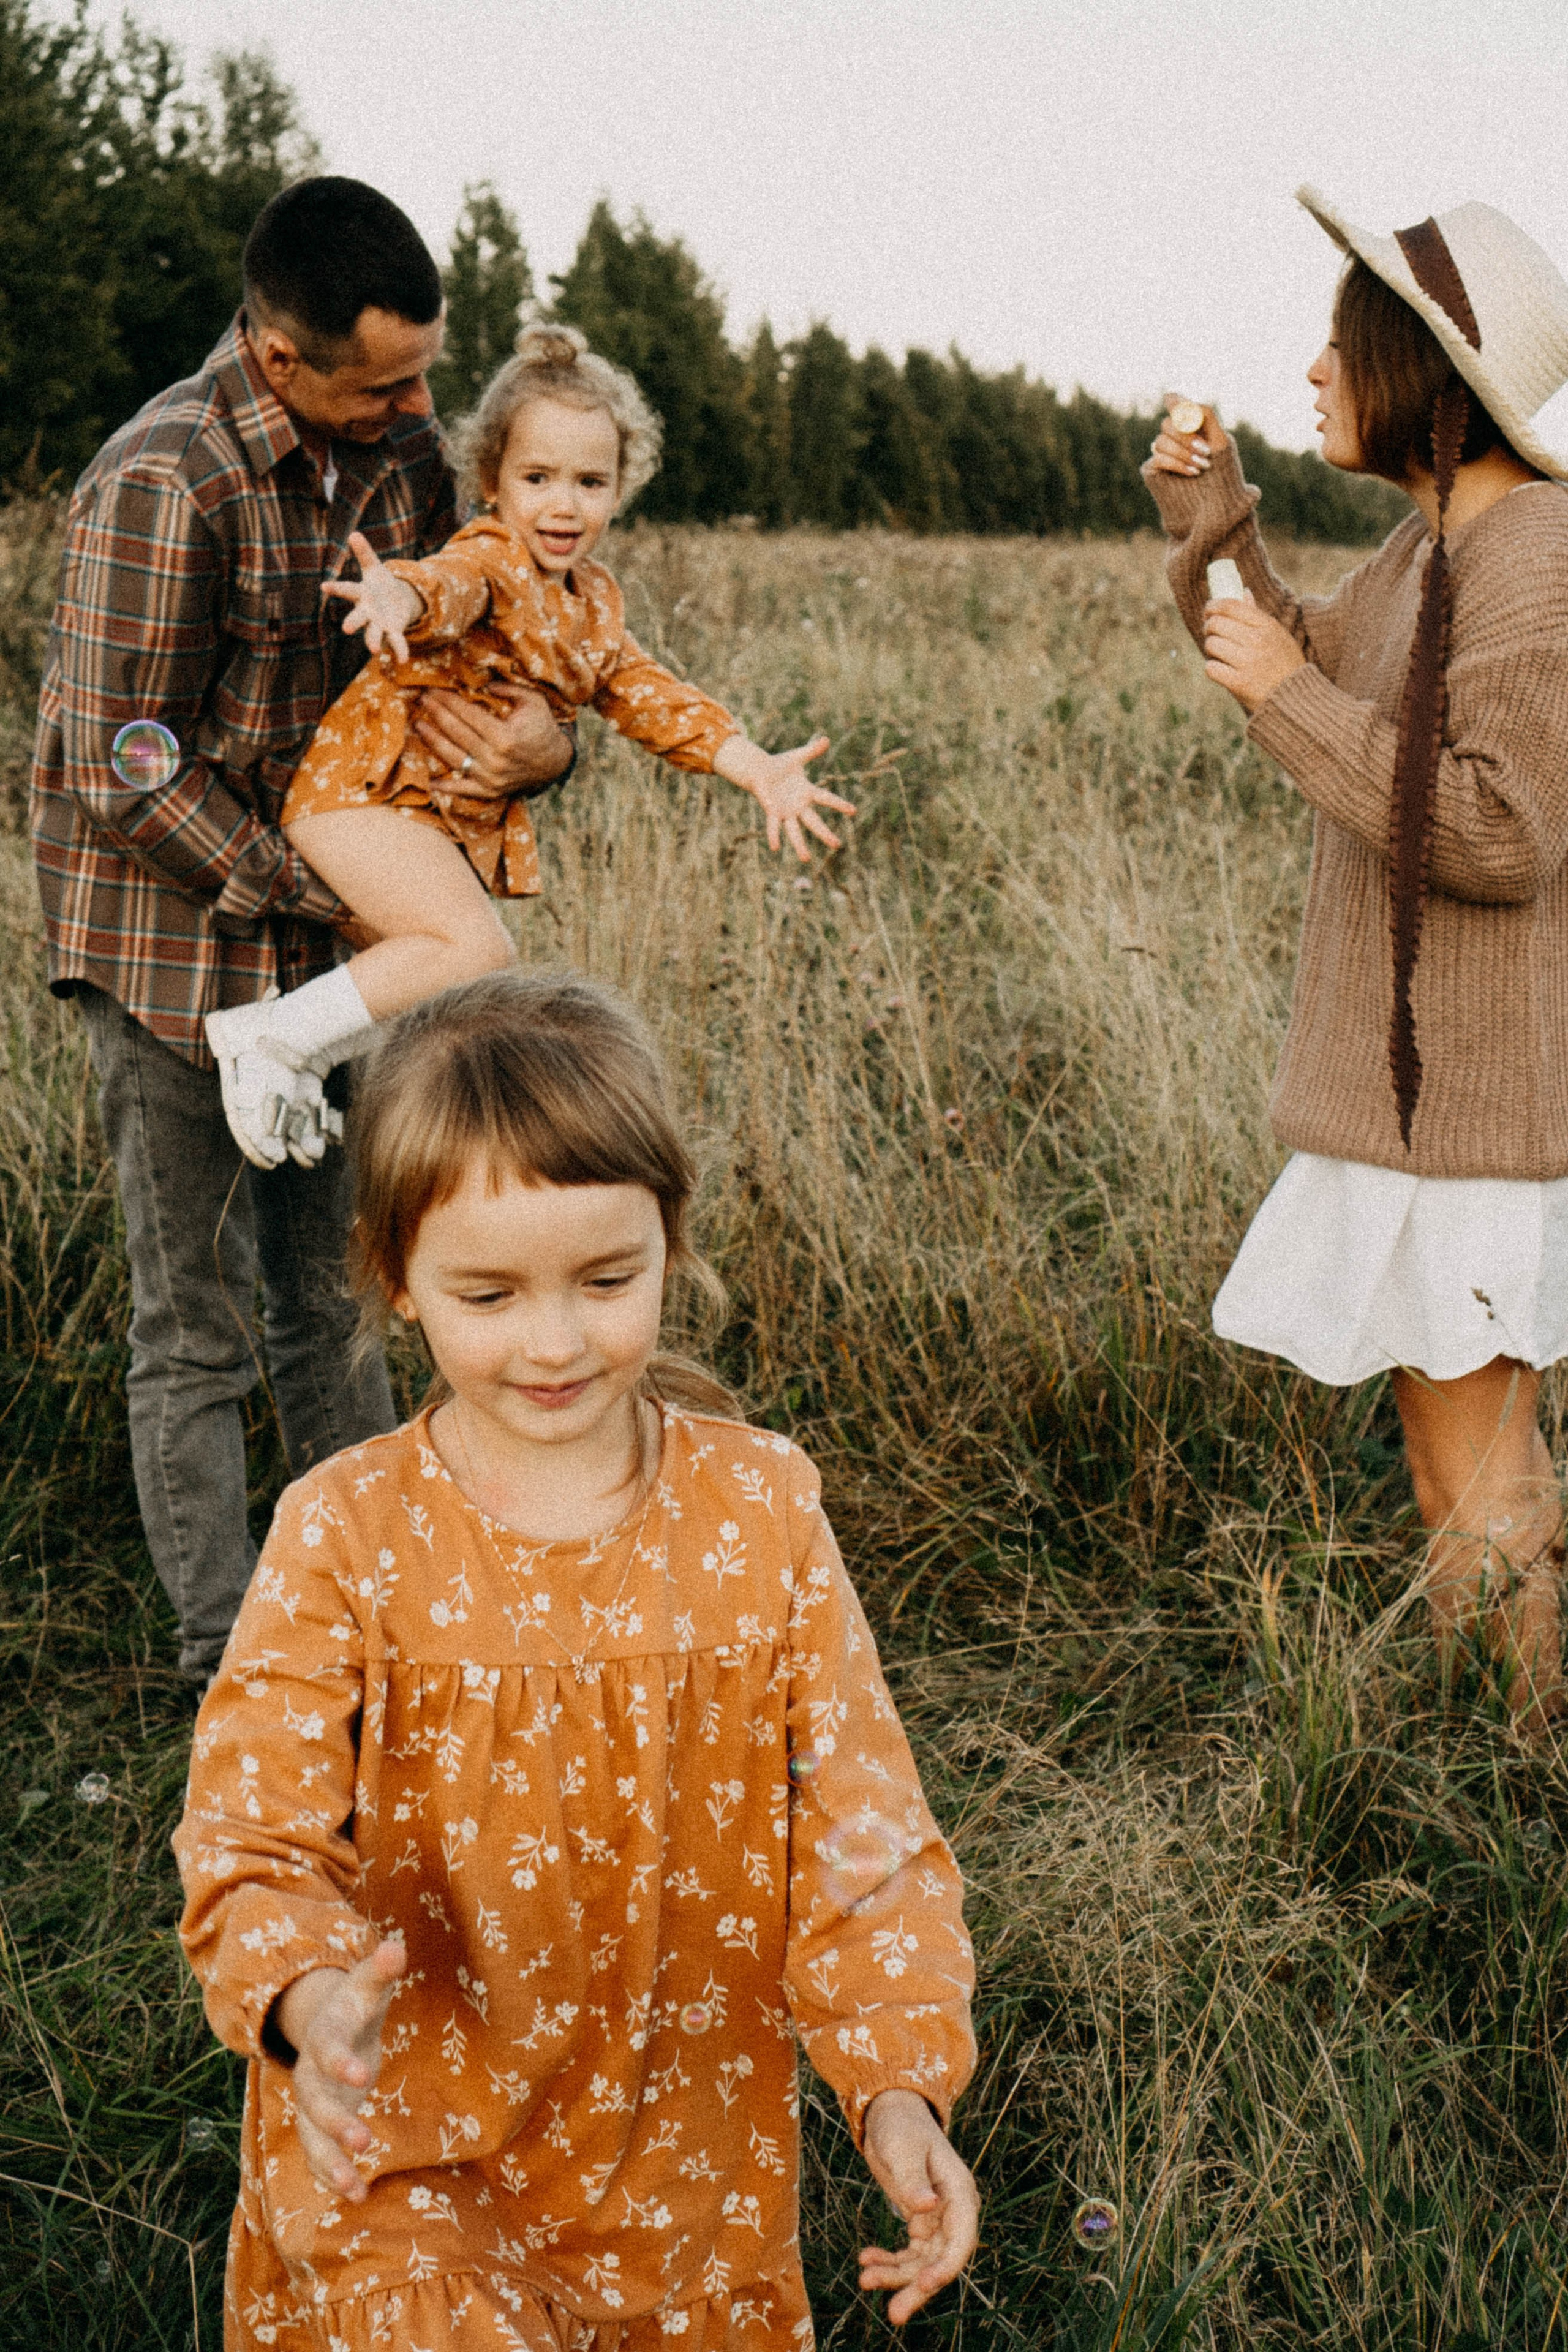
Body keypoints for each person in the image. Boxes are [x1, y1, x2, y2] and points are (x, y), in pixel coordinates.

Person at [175, 967, 979, 2350]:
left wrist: (896, 2084)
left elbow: (866, 1832)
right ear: (394, 1280)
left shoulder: (762, 1508)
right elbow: (250, 1838)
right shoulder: (345, 1531)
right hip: (405, 2136)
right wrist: (311, 2004)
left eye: (606, 1280)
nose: (554, 1343)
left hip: (684, 2159)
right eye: (487, 1293)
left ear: (669, 1241)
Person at [29, 176, 573, 1685]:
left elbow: (492, 645)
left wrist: (543, 750)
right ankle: (233, 1672)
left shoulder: (400, 453)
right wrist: (320, 893)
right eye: (386, 379)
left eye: (424, 370)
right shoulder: (165, 478)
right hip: (169, 944)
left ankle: (371, 1634)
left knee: (332, 1301)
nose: (419, 406)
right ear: (280, 354)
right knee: (191, 1326)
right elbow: (125, 757)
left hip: (333, 950)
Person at [1145, 188, 1568, 1724]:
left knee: (1477, 1467)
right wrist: (1213, 524)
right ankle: (1507, 1750)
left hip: (1470, 1113)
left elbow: (1501, 832)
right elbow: (1300, 662)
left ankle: (1521, 1783)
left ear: (1421, 375)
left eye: (1340, 346)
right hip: (1419, 1106)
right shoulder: (1423, 550)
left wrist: (1287, 697)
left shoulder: (1538, 557)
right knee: (1450, 1448)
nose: (1313, 371)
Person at [203, 321, 854, 1169]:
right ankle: (265, 1039)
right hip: (358, 795)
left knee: (445, 988)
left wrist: (756, 769)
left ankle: (301, 1060)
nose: (564, 504)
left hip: (413, 819)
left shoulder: (594, 607)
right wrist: (398, 596)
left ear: (622, 488)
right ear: (493, 481)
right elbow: (451, 584)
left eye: (591, 481)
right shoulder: (498, 557)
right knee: (477, 951)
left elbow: (656, 700)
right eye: (538, 478)